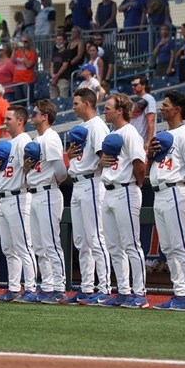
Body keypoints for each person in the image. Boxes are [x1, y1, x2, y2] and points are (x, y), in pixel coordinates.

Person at [147, 92, 185, 311]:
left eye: (166, 105)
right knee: (168, 247)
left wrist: (181, 191)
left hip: (174, 191)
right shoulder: (165, 134)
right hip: (160, 193)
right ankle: (180, 294)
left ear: (177, 109)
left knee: (180, 245)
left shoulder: (184, 134)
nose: (162, 108)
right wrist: (151, 156)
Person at [64, 89, 113, 304]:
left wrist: (97, 168)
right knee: (81, 240)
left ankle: (104, 287)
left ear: (87, 103)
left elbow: (106, 156)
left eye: (76, 103)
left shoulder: (97, 126)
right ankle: (86, 287)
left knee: (95, 237)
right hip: (77, 183)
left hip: (92, 182)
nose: (73, 107)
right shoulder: (82, 127)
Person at [100, 94, 148, 308]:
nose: (105, 110)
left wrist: (136, 184)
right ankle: (124, 291)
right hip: (109, 190)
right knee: (113, 245)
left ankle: (139, 293)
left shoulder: (130, 132)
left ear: (120, 110)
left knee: (131, 244)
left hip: (126, 190)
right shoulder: (113, 133)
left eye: (109, 107)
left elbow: (140, 163)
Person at [24, 99, 68, 303]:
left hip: (48, 192)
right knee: (40, 245)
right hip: (35, 193)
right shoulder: (38, 138)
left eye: (35, 113)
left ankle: (59, 287)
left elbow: (61, 172)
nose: (32, 116)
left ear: (45, 116)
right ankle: (48, 286)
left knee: (51, 244)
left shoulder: (50, 138)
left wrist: (49, 182)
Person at [0, 105, 34, 301]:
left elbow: (30, 171)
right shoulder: (8, 143)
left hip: (19, 196)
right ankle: (14, 288)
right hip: (5, 197)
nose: (5, 121)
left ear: (20, 121)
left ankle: (31, 288)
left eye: (9, 119)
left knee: (24, 245)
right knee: (8, 247)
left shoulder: (25, 141)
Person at [128, 77, 157, 144]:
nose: (133, 87)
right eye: (133, 85)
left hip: (143, 141)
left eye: (135, 85)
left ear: (143, 85)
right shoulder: (136, 100)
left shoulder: (149, 99)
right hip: (136, 140)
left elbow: (151, 120)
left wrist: (149, 141)